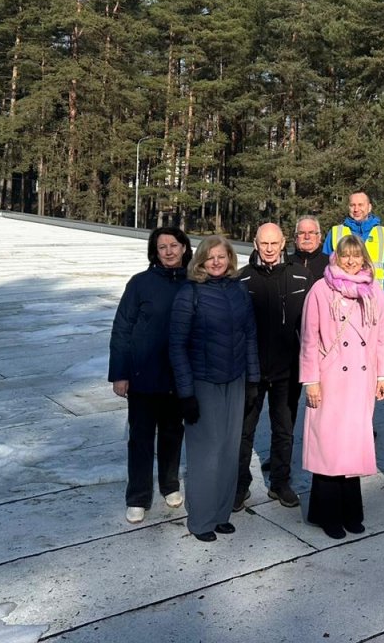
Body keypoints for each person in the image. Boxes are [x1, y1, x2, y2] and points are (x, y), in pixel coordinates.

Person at [299, 235, 384, 539]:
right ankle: (326, 514)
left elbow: (383, 336)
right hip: (330, 379)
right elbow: (309, 339)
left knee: (352, 446)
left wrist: (382, 376)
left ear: (364, 258)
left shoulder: (374, 292)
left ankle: (351, 511)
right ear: (336, 257)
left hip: (360, 381)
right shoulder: (320, 290)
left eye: (356, 256)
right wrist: (310, 380)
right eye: (345, 256)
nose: (351, 261)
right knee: (329, 446)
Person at [169, 235, 259, 542]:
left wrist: (253, 381)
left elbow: (249, 336)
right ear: (201, 261)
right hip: (203, 383)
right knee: (205, 454)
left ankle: (221, 514)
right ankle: (202, 521)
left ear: (230, 259)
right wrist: (186, 394)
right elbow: (177, 346)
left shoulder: (239, 290)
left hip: (235, 380)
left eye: (222, 257)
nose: (217, 262)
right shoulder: (189, 293)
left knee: (229, 450)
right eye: (211, 258)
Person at [108, 226, 192, 524]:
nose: (169, 251)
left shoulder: (194, 283)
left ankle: (170, 485)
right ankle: (138, 496)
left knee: (172, 433)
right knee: (141, 438)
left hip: (177, 377)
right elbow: (122, 329)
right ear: (154, 253)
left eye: (174, 245)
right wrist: (120, 373)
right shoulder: (140, 284)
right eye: (162, 247)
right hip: (143, 375)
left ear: (184, 247)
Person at [235, 223, 312, 512]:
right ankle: (239, 486)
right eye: (263, 243)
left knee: (284, 430)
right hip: (251, 371)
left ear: (283, 244)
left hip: (287, 370)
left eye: (274, 244)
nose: (269, 249)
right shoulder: (242, 279)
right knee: (243, 432)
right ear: (255, 243)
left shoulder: (301, 276)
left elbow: (311, 325)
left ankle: (280, 482)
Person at [324, 191, 384, 294]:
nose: (356, 209)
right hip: (342, 297)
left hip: (374, 297)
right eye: (352, 205)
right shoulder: (335, 233)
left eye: (360, 205)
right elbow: (326, 266)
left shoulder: (383, 234)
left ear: (369, 207)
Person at [290, 215, 328, 282]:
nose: (307, 237)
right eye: (301, 233)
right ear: (295, 238)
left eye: (311, 232)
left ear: (319, 237)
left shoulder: (330, 264)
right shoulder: (286, 263)